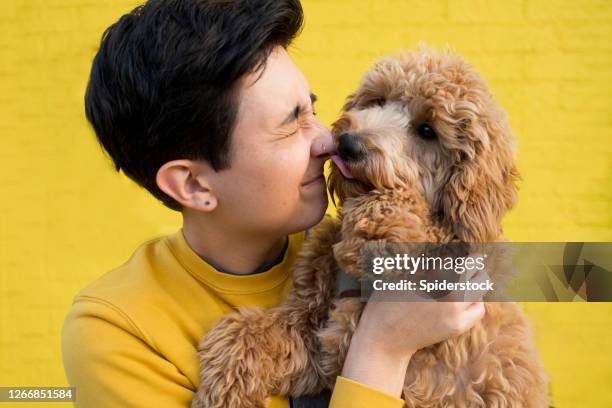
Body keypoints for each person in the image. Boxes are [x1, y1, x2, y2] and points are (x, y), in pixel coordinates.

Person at [61, 0, 485, 407]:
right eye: (290, 124)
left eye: (312, 108)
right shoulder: (116, 331)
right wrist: (382, 349)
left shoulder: (358, 249)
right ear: (192, 185)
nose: (327, 139)